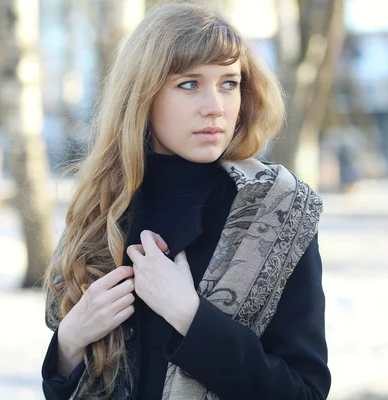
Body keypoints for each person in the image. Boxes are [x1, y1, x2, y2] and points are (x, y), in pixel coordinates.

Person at [41, 3, 331, 399]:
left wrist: (190, 317)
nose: (215, 106)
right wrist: (69, 343)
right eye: (189, 84)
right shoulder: (102, 209)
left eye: (229, 83)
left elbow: (305, 392)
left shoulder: (279, 209)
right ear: (143, 95)